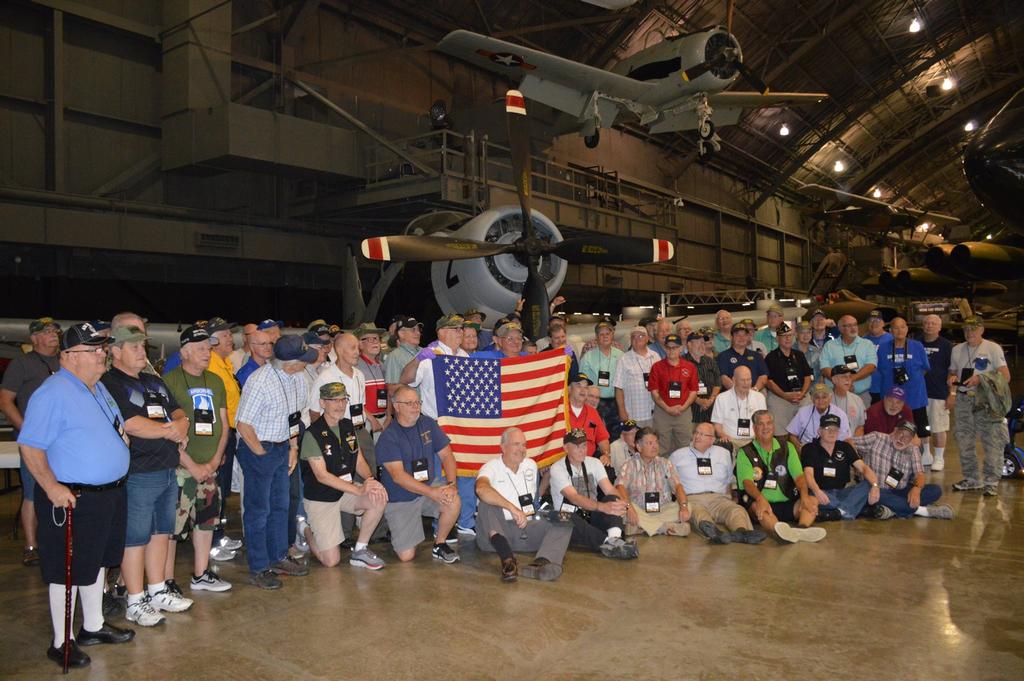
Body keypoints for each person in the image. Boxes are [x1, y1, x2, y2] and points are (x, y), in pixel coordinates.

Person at [18, 322, 134, 668]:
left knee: (96, 562)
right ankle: (61, 640)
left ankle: (93, 626)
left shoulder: (96, 387)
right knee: (64, 570)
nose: (103, 355)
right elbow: (30, 446)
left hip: (107, 494)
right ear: (69, 356)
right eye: (95, 350)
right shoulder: (52, 392)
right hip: (74, 497)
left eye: (103, 349)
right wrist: (52, 487)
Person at [101, 325, 193, 625]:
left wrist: (179, 424)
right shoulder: (110, 382)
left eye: (143, 346)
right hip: (139, 471)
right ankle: (135, 599)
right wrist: (172, 431)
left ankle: (157, 591)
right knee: (135, 538)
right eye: (134, 347)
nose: (142, 352)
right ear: (115, 351)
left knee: (161, 533)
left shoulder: (154, 381)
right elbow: (130, 423)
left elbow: (178, 411)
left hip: (166, 469)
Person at [235, 334, 315, 589]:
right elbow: (243, 424)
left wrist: (293, 447)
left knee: (281, 506)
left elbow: (294, 417)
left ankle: (279, 556)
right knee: (259, 510)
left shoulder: (299, 378)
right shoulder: (259, 382)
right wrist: (261, 453)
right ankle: (259, 567)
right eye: (303, 359)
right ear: (289, 362)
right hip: (259, 447)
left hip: (283, 447)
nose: (308, 363)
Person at [162, 326, 232, 592]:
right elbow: (166, 431)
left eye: (209, 347)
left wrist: (214, 462)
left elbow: (224, 425)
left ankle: (201, 574)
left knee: (206, 521)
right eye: (201, 348)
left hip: (209, 467)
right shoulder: (169, 382)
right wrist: (191, 465)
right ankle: (166, 581)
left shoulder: (215, 381)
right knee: (173, 528)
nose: (208, 352)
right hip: (181, 469)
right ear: (185, 352)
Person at [299, 382, 388, 570]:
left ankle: (361, 550)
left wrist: (372, 482)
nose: (340, 405)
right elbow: (322, 476)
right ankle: (304, 528)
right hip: (321, 497)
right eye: (333, 400)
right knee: (331, 561)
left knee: (378, 496)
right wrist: (358, 488)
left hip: (345, 491)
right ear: (322, 403)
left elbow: (359, 461)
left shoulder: (348, 427)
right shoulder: (312, 434)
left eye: (343, 400)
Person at [376, 386, 461, 564]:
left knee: (453, 500)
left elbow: (447, 455)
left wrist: (452, 484)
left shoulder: (428, 424)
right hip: (401, 497)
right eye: (409, 403)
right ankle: (394, 524)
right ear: (397, 406)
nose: (415, 407)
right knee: (407, 557)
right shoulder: (388, 437)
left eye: (417, 402)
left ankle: (440, 544)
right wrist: (432, 493)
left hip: (428, 487)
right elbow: (398, 476)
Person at [1, 317, 61, 566]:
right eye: (47, 331)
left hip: (63, 442)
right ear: (34, 337)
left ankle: (58, 542)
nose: (54, 335)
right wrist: (27, 431)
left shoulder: (65, 361)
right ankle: (31, 546)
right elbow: (5, 400)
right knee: (33, 493)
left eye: (56, 330)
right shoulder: (21, 364)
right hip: (36, 443)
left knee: (62, 490)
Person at [476, 428, 573, 582]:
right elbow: (481, 489)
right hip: (496, 536)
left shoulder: (531, 465)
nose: (521, 449)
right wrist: (511, 508)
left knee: (565, 520)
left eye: (524, 445)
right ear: (503, 447)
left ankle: (540, 563)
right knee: (487, 503)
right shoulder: (491, 467)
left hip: (525, 530)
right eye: (516, 444)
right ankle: (508, 561)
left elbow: (534, 499)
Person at [735, 411, 826, 543]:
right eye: (761, 424)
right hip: (763, 503)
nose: (765, 427)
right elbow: (747, 482)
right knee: (759, 509)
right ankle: (779, 533)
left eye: (769, 423)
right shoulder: (745, 452)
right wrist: (760, 499)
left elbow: (799, 477)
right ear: (754, 428)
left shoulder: (788, 447)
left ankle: (801, 529)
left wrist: (804, 496)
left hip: (788, 500)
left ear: (774, 426)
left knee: (811, 501)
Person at [669, 423, 767, 544]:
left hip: (719, 498)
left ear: (712, 439)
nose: (697, 437)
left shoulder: (723, 454)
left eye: (702, 434)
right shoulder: (678, 455)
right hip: (692, 499)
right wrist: (682, 504)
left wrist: (732, 497)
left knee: (737, 510)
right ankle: (715, 533)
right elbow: (672, 484)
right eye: (696, 433)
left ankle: (741, 532)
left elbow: (729, 480)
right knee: (699, 515)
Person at [948, 315, 1012, 496]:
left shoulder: (993, 348)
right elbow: (952, 370)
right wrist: (951, 378)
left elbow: (1005, 376)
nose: (970, 333)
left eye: (974, 329)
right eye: (967, 329)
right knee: (964, 440)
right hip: (963, 401)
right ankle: (972, 478)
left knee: (992, 441)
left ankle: (991, 481)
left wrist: (981, 379)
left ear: (982, 330)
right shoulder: (957, 350)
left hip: (986, 402)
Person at [550, 429, 638, 559]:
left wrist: (628, 506)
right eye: (576, 446)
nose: (582, 450)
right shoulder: (557, 468)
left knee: (612, 498)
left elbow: (610, 490)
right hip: (573, 519)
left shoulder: (594, 463)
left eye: (584, 445)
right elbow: (574, 498)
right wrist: (602, 507)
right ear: (566, 448)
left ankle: (614, 540)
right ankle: (609, 543)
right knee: (563, 517)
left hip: (592, 516)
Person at [851, 422, 954, 520]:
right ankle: (922, 511)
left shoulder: (913, 450)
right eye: (901, 433)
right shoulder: (876, 438)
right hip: (876, 489)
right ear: (894, 430)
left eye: (907, 436)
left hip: (899, 490)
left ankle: (892, 510)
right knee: (874, 494)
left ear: (912, 439)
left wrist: (916, 489)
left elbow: (920, 474)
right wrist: (857, 463)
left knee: (935, 490)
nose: (902, 439)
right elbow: (849, 442)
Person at [204, 317, 243, 557]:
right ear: (213, 339)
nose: (231, 339)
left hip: (228, 434)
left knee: (222, 490)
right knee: (214, 489)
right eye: (226, 335)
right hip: (219, 435)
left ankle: (218, 535)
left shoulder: (223, 363)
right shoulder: (211, 366)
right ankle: (211, 542)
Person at [801, 413, 880, 520]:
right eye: (828, 428)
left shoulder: (845, 447)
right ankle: (850, 509)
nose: (831, 432)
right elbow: (808, 474)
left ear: (839, 432)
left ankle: (839, 512)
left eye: (835, 429)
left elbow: (864, 468)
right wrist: (817, 491)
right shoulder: (809, 448)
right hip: (821, 492)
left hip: (843, 492)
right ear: (819, 431)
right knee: (811, 497)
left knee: (868, 484)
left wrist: (875, 486)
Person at [615, 428, 691, 537]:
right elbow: (620, 488)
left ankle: (641, 527)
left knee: (688, 506)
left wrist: (683, 507)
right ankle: (664, 528)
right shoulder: (629, 465)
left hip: (662, 510)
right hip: (638, 510)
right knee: (622, 509)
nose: (655, 446)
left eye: (656, 442)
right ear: (639, 447)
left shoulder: (665, 463)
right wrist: (630, 509)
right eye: (650, 443)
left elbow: (678, 486)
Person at [877, 317, 930, 441]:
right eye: (895, 327)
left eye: (902, 327)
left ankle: (924, 454)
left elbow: (925, 368)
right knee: (892, 429)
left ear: (907, 329)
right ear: (890, 330)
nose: (899, 330)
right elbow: (880, 369)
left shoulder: (917, 346)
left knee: (920, 430)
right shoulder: (883, 348)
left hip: (915, 397)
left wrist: (913, 381)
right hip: (892, 398)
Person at [648, 334, 698, 457]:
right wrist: (667, 408)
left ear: (681, 348)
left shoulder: (690, 367)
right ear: (665, 348)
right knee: (661, 446)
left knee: (685, 445)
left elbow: (693, 391)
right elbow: (654, 392)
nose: (671, 350)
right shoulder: (657, 367)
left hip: (683, 412)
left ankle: (684, 474)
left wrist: (683, 407)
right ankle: (662, 474)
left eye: (675, 347)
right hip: (662, 412)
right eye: (668, 347)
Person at [764, 323, 813, 433]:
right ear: (777, 338)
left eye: (790, 335)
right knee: (781, 433)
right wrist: (784, 396)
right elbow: (769, 381)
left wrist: (802, 393)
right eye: (784, 336)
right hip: (780, 397)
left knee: (806, 430)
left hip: (801, 396)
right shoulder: (771, 357)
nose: (788, 338)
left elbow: (807, 376)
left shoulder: (799, 355)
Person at [820, 314, 878, 407]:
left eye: (855, 324)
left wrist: (850, 380)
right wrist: (841, 384)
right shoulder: (829, 345)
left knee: (861, 421)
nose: (853, 328)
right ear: (840, 328)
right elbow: (824, 368)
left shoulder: (867, 344)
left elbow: (871, 366)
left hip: (861, 396)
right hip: (834, 396)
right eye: (849, 325)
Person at [580, 320, 624, 441]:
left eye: (607, 333)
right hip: (595, 403)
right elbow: (583, 384)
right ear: (596, 337)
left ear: (612, 335)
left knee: (616, 436)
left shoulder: (621, 355)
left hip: (615, 402)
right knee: (595, 435)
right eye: (601, 334)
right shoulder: (588, 357)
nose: (605, 336)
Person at [919, 314, 952, 470]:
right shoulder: (915, 343)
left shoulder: (947, 346)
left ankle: (939, 457)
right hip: (919, 393)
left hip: (938, 392)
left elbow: (953, 371)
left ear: (939, 327)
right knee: (922, 425)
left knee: (938, 426)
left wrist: (952, 394)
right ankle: (926, 453)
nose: (929, 326)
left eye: (933, 323)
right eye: (926, 323)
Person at [710, 366, 767, 452]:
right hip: (731, 441)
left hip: (753, 440)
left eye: (748, 379)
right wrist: (722, 435)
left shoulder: (760, 397)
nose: (746, 383)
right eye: (742, 380)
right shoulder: (721, 398)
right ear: (734, 380)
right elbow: (717, 424)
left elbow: (764, 422)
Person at [613, 325, 657, 428]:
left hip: (654, 413)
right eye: (634, 337)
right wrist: (622, 411)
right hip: (633, 414)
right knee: (635, 443)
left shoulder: (655, 356)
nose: (637, 339)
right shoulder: (623, 359)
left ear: (647, 339)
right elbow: (618, 388)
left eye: (641, 336)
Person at [786, 383, 851, 448]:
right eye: (817, 397)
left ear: (830, 398)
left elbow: (846, 439)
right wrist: (800, 448)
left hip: (832, 450)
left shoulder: (840, 414)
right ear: (811, 398)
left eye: (824, 397)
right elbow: (792, 435)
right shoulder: (803, 412)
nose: (820, 400)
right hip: (808, 450)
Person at [353, 322, 390, 432]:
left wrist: (388, 416)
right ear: (360, 344)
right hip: (366, 422)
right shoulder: (355, 367)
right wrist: (372, 420)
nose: (375, 342)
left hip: (384, 420)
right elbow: (354, 400)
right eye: (370, 339)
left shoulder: (381, 365)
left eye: (376, 338)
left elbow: (388, 393)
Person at [566, 373, 610, 462]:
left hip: (589, 461)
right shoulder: (560, 410)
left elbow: (603, 440)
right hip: (565, 461)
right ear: (569, 389)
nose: (583, 390)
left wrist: (606, 454)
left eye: (586, 387)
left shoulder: (593, 412)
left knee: (609, 470)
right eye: (578, 386)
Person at [682, 331, 721, 425]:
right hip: (691, 412)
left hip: (711, 411)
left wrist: (711, 400)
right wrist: (699, 401)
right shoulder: (681, 362)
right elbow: (682, 387)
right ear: (689, 345)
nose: (702, 345)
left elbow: (718, 383)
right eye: (699, 342)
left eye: (704, 342)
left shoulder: (710, 361)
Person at [717, 322, 768, 391]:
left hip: (755, 393)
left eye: (744, 335)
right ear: (731, 337)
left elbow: (763, 376)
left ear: (748, 337)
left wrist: (754, 390)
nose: (741, 338)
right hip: (732, 395)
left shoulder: (757, 356)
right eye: (737, 335)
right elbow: (724, 378)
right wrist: (740, 392)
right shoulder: (723, 356)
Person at [383, 315, 423, 399]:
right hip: (408, 408)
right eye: (413, 330)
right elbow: (391, 390)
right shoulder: (394, 356)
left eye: (418, 329)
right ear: (401, 334)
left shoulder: (425, 352)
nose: (418, 333)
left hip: (428, 409)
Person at [864, 310, 893, 403]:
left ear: (883, 323)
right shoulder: (862, 341)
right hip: (867, 389)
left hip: (886, 388)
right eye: (871, 320)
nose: (873, 323)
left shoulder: (892, 339)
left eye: (877, 320)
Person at [830, 365, 866, 437]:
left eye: (850, 376)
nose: (848, 379)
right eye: (843, 376)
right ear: (834, 380)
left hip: (852, 442)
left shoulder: (857, 400)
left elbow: (860, 426)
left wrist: (853, 443)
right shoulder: (825, 400)